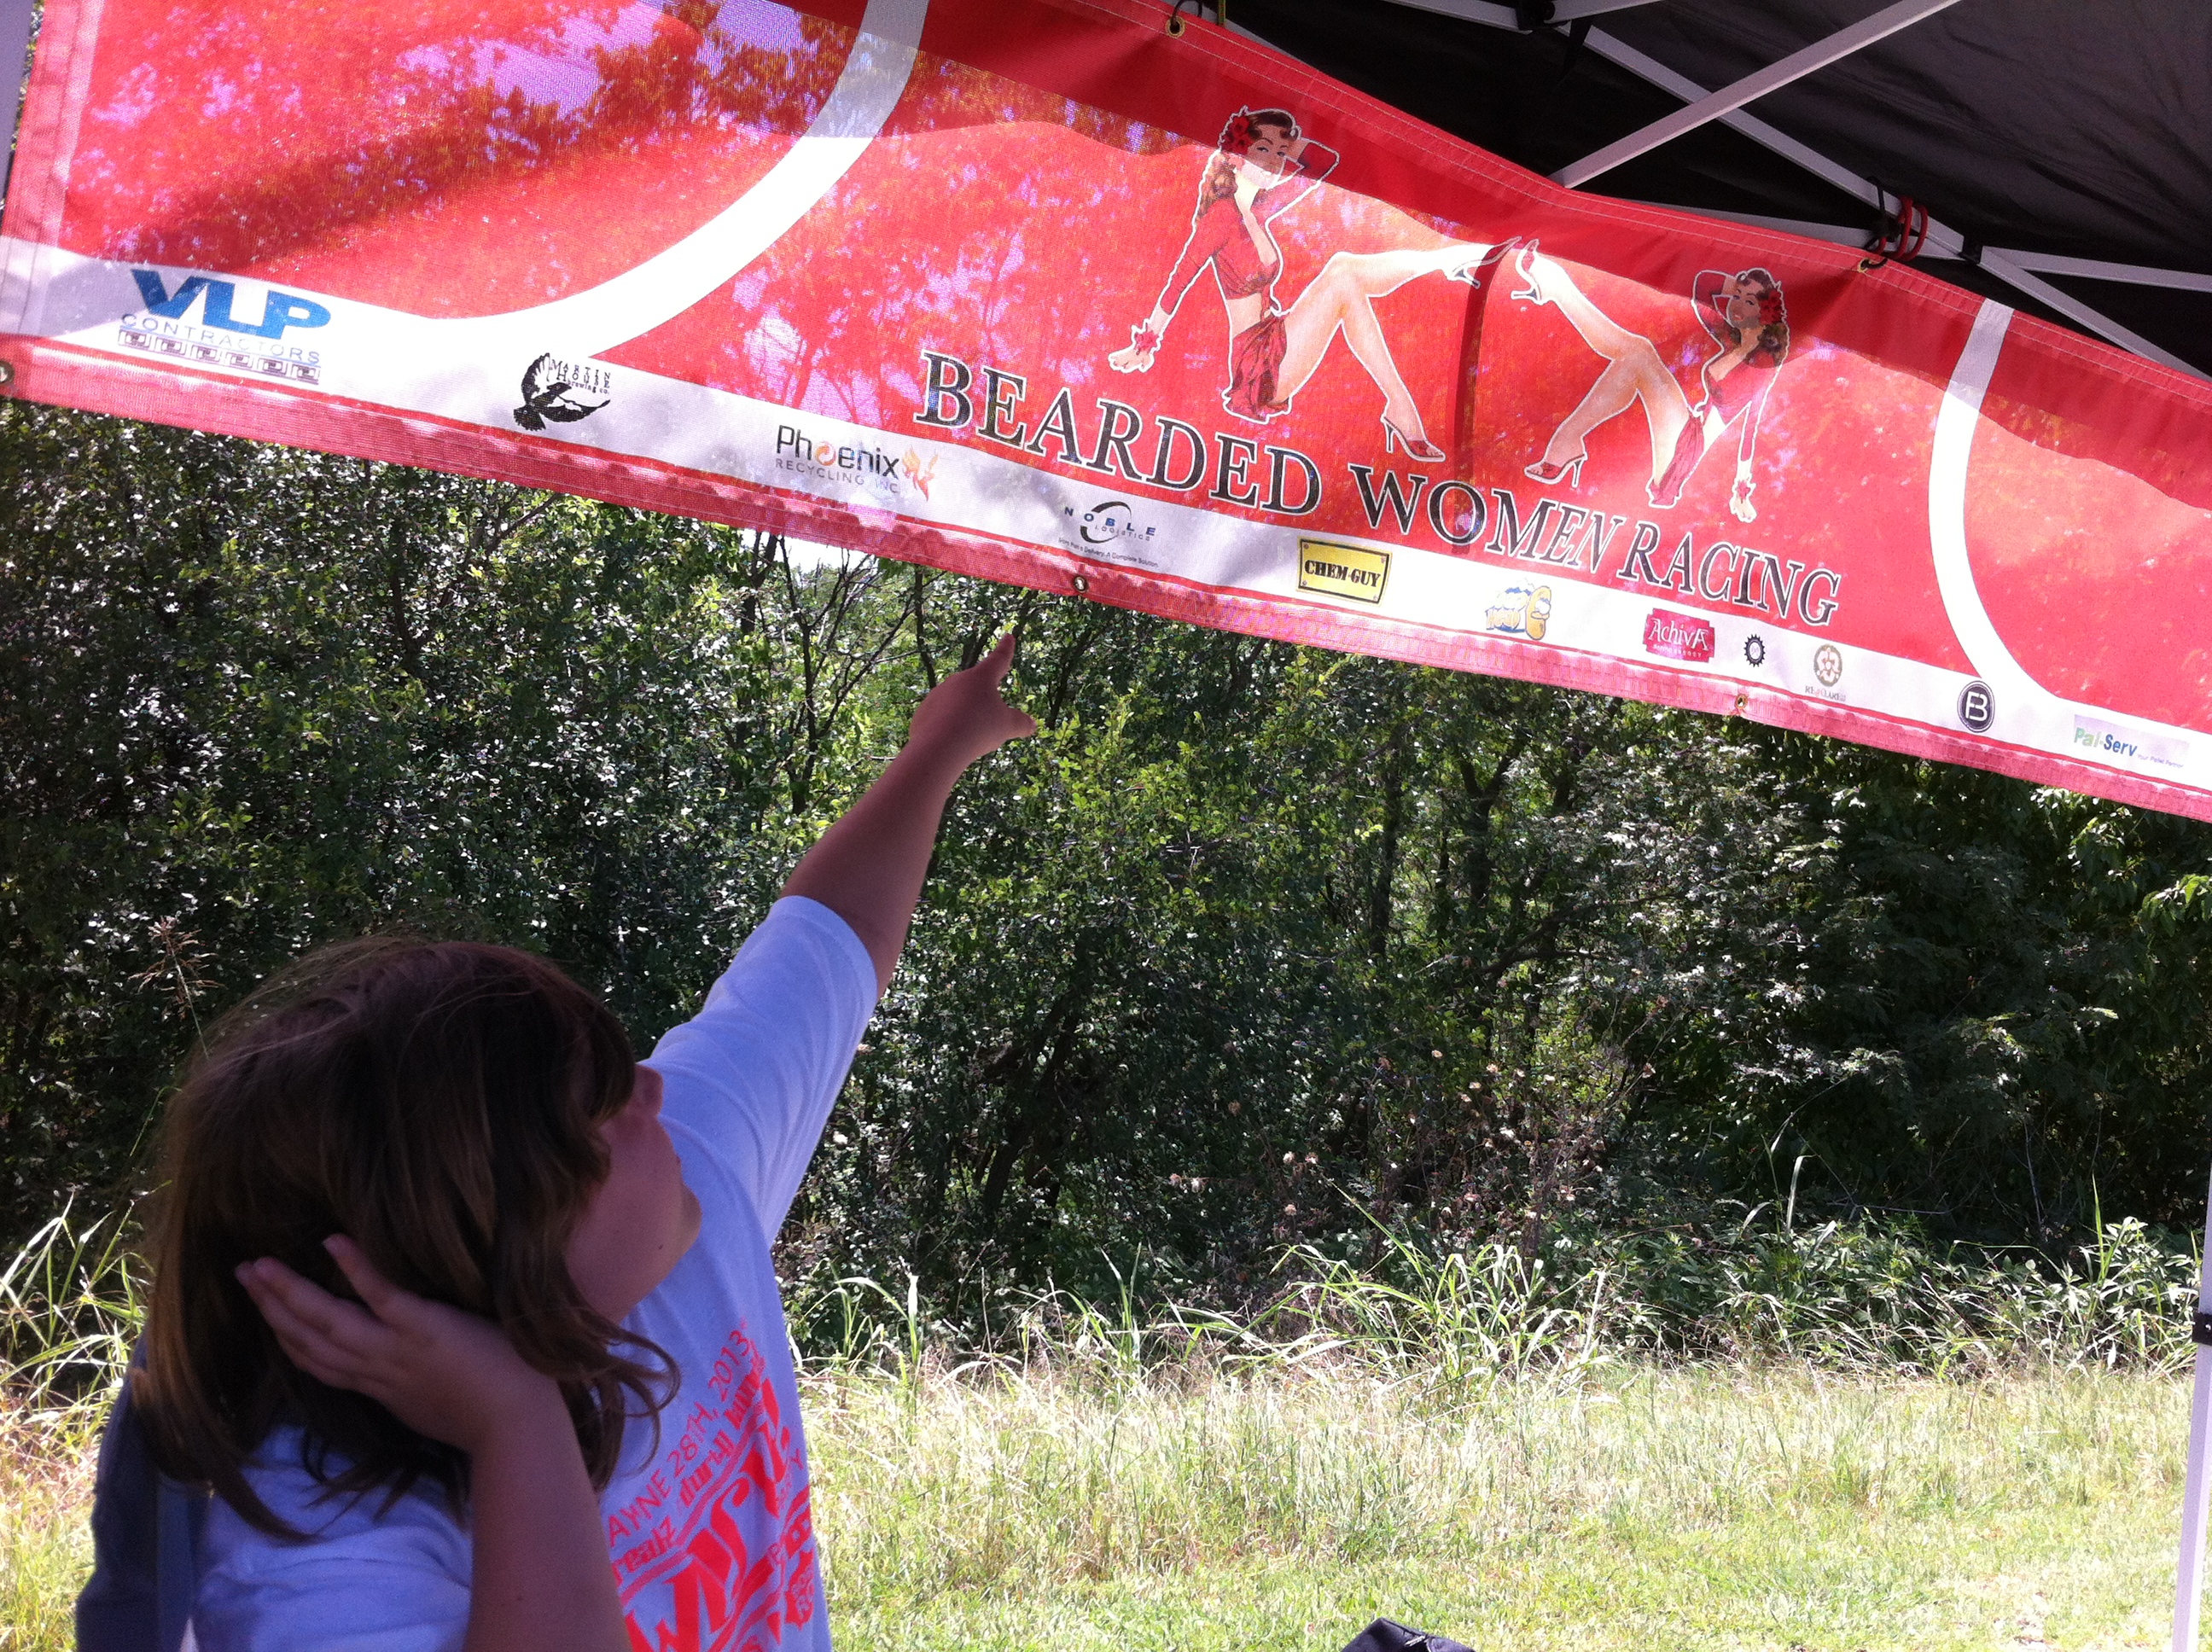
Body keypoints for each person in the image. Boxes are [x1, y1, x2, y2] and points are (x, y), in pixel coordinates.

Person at [127, 637, 1036, 1652]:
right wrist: (517, 1422)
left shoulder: (681, 1184)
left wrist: (938, 747)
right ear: (495, 1248)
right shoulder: (319, 1561)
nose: (653, 1088)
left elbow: (831, 938)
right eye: (601, 1111)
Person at [1109, 107, 1507, 463]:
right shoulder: (1221, 217)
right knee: (1343, 271)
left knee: (1347, 279)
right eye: (1262, 150)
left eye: (1279, 154)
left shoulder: (1258, 208)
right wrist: (1144, 345)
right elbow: (1179, 280)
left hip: (1275, 333)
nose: (1273, 163)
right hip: (1259, 364)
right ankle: (1447, 263)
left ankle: (1402, 398)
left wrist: (1285, 141)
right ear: (1235, 154)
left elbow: (1323, 162)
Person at [1511, 245, 1790, 521]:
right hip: (1687, 428)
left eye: (1749, 302)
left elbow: (1751, 426)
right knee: (1633, 359)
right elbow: (1704, 286)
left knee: (1639, 353)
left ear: (1766, 313)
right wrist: (1738, 285)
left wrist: (1741, 489)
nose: (1737, 305)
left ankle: (1557, 287)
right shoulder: (1732, 338)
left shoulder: (1764, 364)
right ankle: (1567, 441)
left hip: (1686, 452)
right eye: (1737, 296)